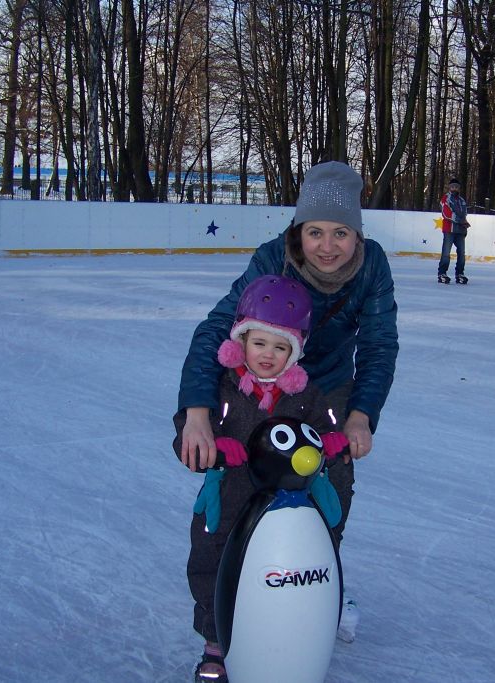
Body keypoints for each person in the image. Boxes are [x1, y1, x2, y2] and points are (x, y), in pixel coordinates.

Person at [176, 160, 399, 670]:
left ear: (358, 234)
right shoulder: (273, 257)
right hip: (262, 382)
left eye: (341, 232)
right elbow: (215, 330)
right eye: (315, 231)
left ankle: (312, 588)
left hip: (327, 388)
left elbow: (379, 346)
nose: (327, 246)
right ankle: (224, 619)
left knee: (329, 491)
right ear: (299, 230)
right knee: (237, 495)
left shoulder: (372, 267)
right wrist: (197, 413)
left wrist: (360, 416)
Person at [173, 274, 349, 681]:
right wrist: (214, 449)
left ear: (295, 352)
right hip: (228, 500)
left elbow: (327, 424)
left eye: (280, 347)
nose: (268, 354)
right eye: (259, 343)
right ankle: (216, 642)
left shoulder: (305, 395)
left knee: (280, 567)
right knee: (212, 561)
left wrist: (330, 441)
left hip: (285, 507)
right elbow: (187, 436)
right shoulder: (221, 390)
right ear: (242, 340)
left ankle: (283, 627)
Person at [438, 177, 469, 284]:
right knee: (446, 253)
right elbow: (446, 214)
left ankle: (460, 273)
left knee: (461, 253)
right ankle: (442, 273)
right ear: (449, 187)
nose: (454, 188)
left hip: (460, 231)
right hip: (449, 230)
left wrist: (464, 225)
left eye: (456, 187)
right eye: (452, 187)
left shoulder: (462, 201)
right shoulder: (445, 199)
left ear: (459, 188)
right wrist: (461, 221)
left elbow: (464, 214)